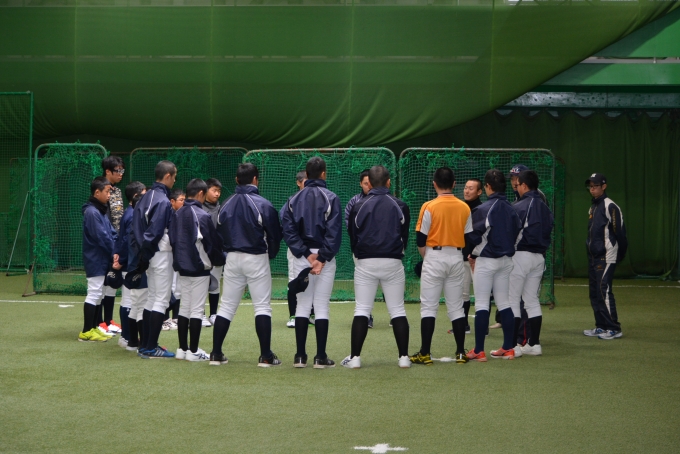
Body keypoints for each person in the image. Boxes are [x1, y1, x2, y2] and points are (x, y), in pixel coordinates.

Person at [211, 164, 283, 367]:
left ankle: (216, 353)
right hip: (256, 257)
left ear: (236, 180)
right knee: (262, 306)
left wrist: (226, 253)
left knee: (226, 306)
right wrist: (271, 254)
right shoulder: (263, 204)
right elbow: (275, 235)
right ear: (255, 180)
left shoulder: (225, 203)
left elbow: (218, 233)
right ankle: (266, 356)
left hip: (232, 257)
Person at [342, 165, 411, 369]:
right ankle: (404, 358)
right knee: (397, 309)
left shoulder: (359, 205)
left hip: (366, 262)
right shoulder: (400, 205)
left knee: (362, 309)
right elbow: (404, 235)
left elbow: (353, 235)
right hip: (393, 261)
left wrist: (359, 254)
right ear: (388, 182)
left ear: (369, 183)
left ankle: (355, 358)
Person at [282, 157, 341, 369]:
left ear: (306, 175)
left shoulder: (293, 199)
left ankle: (300, 357)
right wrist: (321, 258)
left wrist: (307, 255)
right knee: (322, 305)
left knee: (303, 305)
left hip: (302, 257)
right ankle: (320, 357)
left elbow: (288, 231)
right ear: (324, 173)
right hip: (323, 258)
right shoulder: (331, 198)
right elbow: (334, 233)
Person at [409, 167, 472, 365]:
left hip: (434, 255)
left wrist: (427, 257)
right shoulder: (464, 207)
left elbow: (421, 238)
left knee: (429, 307)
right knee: (456, 307)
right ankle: (460, 353)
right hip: (456, 257)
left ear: (434, 184)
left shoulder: (429, 206)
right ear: (454, 184)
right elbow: (469, 238)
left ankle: (425, 353)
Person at [466, 169, 521, 361]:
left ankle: (479, 350)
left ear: (488, 187)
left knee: (482, 304)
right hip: (506, 261)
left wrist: (472, 254)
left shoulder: (483, 209)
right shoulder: (512, 208)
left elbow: (473, 236)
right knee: (504, 303)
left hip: (487, 260)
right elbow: (518, 234)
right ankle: (508, 347)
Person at [170, 179, 225, 362]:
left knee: (185, 307)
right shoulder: (201, 214)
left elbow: (173, 240)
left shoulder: (177, 213)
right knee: (196, 309)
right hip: (199, 267)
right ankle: (193, 351)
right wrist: (218, 260)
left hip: (181, 267)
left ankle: (182, 349)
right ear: (201, 194)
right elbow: (212, 243)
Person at [133, 160, 177, 358]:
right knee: (161, 299)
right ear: (167, 176)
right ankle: (150, 347)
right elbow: (155, 232)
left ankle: (147, 345)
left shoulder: (145, 197)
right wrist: (147, 253)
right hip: (159, 253)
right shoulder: (162, 200)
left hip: (149, 254)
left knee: (152, 298)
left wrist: (143, 255)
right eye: (174, 176)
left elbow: (138, 230)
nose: (174, 180)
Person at [509, 170, 554, 356]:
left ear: (524, 185)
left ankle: (512, 346)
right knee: (532, 300)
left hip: (520, 255)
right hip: (539, 257)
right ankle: (534, 345)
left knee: (512, 300)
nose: (516, 187)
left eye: (518, 184)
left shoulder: (520, 206)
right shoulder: (545, 207)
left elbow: (511, 233)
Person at [583, 173, 627, 340]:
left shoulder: (611, 206)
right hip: (593, 256)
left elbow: (620, 233)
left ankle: (614, 328)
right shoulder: (593, 207)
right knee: (594, 292)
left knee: (603, 290)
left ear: (604, 186)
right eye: (590, 186)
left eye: (595, 186)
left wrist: (619, 254)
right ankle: (601, 326)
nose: (592, 189)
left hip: (607, 255)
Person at [78, 177, 121, 342]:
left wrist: (116, 250)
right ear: (97, 192)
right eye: (107, 192)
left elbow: (111, 233)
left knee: (99, 294)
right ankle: (86, 331)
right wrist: (114, 253)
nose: (109, 195)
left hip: (102, 258)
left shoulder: (99, 210)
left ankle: (94, 327)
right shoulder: (92, 212)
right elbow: (102, 237)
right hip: (95, 259)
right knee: (94, 293)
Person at [282, 171, 316, 328]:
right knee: (294, 281)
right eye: (305, 182)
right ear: (298, 182)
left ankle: (312, 314)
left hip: (315, 251)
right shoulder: (292, 201)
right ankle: (293, 316)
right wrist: (300, 249)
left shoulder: (318, 200)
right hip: (296, 251)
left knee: (314, 282)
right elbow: (286, 228)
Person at [113, 181, 146, 348]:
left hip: (127, 262)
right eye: (144, 194)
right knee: (129, 301)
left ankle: (127, 337)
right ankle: (127, 337)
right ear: (136, 196)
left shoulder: (129, 212)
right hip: (129, 264)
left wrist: (118, 256)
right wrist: (122, 261)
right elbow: (128, 241)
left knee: (129, 301)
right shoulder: (133, 214)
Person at [98, 155, 126, 336]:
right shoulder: (100, 189)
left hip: (116, 241)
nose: (121, 173)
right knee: (102, 283)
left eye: (123, 170)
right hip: (105, 242)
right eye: (118, 170)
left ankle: (108, 320)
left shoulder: (117, 191)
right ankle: (99, 322)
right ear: (108, 171)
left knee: (112, 282)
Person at [344, 169, 375, 329]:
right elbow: (349, 225)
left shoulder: (386, 200)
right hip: (361, 251)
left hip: (382, 251)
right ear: (360, 184)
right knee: (363, 284)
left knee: (387, 284)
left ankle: (395, 316)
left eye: (370, 183)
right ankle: (366, 316)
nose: (368, 186)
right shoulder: (354, 202)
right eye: (365, 183)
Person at [163, 188, 185, 331]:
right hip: (166, 254)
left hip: (176, 254)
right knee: (168, 285)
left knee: (177, 286)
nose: (184, 203)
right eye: (181, 200)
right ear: (172, 201)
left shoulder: (181, 214)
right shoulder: (168, 214)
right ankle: (165, 318)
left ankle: (175, 317)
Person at [203, 178, 223, 326]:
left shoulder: (222, 208)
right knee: (202, 283)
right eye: (214, 190)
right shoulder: (198, 208)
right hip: (202, 252)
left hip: (217, 252)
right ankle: (200, 314)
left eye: (219, 191)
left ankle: (214, 314)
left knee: (215, 284)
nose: (217, 194)